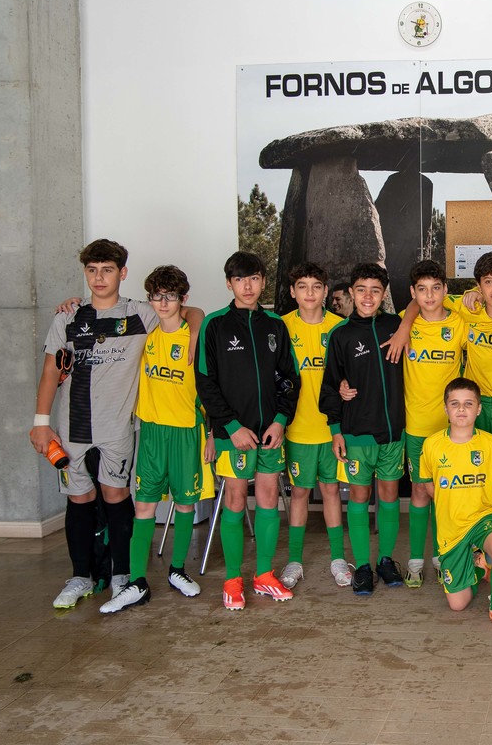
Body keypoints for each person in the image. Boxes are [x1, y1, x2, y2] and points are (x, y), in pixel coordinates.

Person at [31, 239, 200, 609]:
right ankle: (80, 577)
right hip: (74, 425)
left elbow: (188, 310)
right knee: (79, 499)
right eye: (92, 270)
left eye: (107, 270)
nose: (99, 277)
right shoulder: (67, 317)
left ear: (122, 273)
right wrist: (40, 423)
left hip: (118, 426)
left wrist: (195, 329)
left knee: (116, 496)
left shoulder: (142, 313)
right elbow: (50, 371)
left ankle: (123, 575)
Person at [385, 251, 492, 588]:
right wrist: (405, 326)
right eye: (422, 290)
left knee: (465, 490)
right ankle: (417, 560)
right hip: (419, 424)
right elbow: (416, 306)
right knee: (422, 491)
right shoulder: (406, 322)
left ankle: (457, 555)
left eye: (436, 288)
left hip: (456, 425)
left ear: (445, 289)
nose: (430, 295)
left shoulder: (459, 320)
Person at [102, 265, 211, 613]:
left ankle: (178, 570)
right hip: (151, 431)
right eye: (157, 296)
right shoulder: (143, 331)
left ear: (183, 298)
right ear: (150, 298)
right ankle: (137, 582)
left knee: (185, 504)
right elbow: (106, 309)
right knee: (144, 506)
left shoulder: (196, 335)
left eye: (171, 296)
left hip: (186, 431)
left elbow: (211, 388)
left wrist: (211, 433)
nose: (163, 303)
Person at [195, 251, 299, 610]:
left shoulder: (275, 325)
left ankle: (264, 575)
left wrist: (280, 420)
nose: (248, 286)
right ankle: (232, 581)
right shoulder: (215, 324)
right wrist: (231, 426)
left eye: (254, 278)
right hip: (233, 435)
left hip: (270, 432)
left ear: (263, 281)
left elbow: (290, 378)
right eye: (240, 279)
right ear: (229, 284)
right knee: (236, 501)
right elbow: (205, 382)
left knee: (269, 499)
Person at [318, 263, 406, 595]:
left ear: (384, 294)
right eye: (361, 290)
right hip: (356, 434)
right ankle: (363, 566)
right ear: (351, 293)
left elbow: (421, 307)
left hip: (393, 432)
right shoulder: (341, 335)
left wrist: (404, 327)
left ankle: (385, 559)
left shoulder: (396, 325)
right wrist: (336, 431)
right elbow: (330, 385)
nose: (368, 297)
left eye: (375, 290)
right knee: (359, 496)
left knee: (389, 495)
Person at [421, 377, 492, 633]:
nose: (461, 409)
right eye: (455, 403)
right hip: (451, 530)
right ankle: (479, 568)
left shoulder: (490, 443)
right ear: (445, 409)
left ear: (478, 409)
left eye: (468, 403)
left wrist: (482, 495)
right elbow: (429, 485)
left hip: (482, 518)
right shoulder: (432, 445)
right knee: (458, 604)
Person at [279, 263, 349, 591]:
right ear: (293, 292)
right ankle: (294, 560)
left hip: (332, 430)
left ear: (325, 291)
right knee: (300, 493)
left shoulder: (339, 328)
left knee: (331, 490)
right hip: (297, 429)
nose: (310, 292)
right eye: (302, 286)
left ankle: (338, 559)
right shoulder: (282, 327)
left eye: (316, 286)